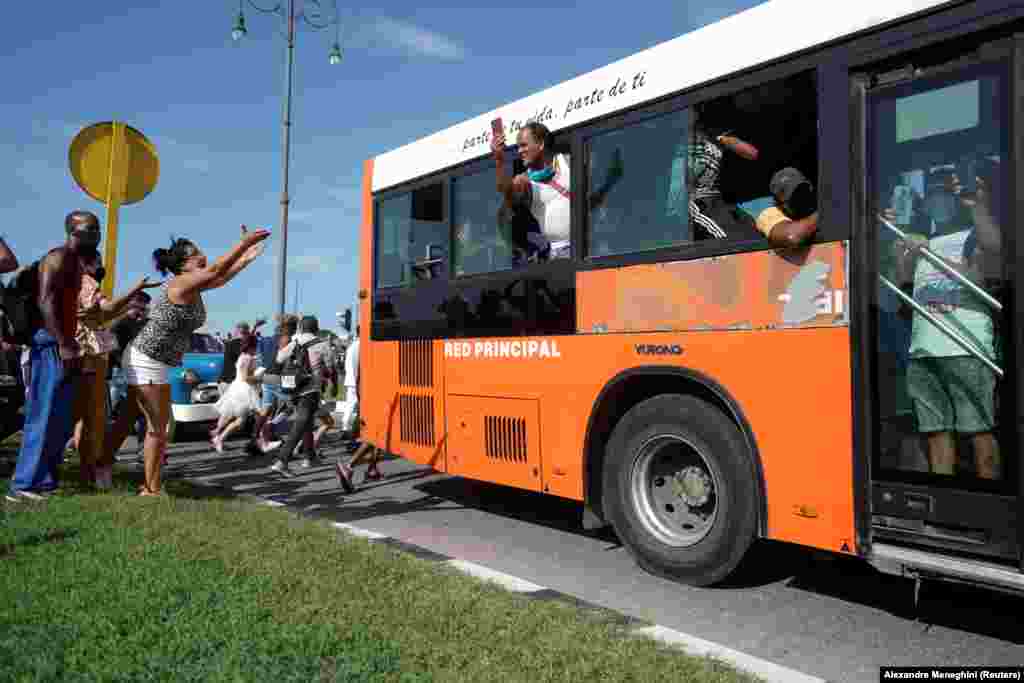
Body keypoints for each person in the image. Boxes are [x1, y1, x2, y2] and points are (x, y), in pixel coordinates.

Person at [103, 226, 270, 496]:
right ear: (182, 265)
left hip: (153, 360)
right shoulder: (180, 283)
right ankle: (151, 489)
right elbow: (217, 270)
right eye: (195, 255)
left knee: (128, 419)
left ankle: (101, 465)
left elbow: (222, 276)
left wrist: (248, 255)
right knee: (158, 428)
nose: (202, 256)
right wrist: (243, 244)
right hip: (147, 359)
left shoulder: (195, 285)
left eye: (201, 252)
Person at [893, 163, 1002, 480]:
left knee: (979, 432)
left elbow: (986, 274)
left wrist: (977, 206)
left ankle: (988, 504)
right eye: (933, 194)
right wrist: (905, 255)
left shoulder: (973, 234)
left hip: (967, 348)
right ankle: (944, 500)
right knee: (936, 432)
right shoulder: (917, 236)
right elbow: (904, 290)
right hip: (924, 349)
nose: (939, 201)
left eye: (945, 193)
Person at [7, 211, 93, 502]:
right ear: (72, 230)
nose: (96, 235)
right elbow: (45, 301)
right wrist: (64, 343)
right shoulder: (57, 258)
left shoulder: (76, 261)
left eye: (97, 229)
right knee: (42, 413)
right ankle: (23, 484)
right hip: (50, 341)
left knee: (61, 417)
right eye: (89, 229)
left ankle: (44, 480)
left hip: (65, 341)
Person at [72, 248, 163, 488]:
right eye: (97, 262)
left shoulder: (139, 322)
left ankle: (92, 467)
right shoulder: (89, 288)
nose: (141, 309)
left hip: (115, 367)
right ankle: (93, 466)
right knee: (96, 417)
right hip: (104, 366)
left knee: (100, 418)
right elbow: (107, 321)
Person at [491, 122, 572, 260]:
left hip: (584, 248)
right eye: (518, 147)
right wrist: (499, 159)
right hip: (557, 255)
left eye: (523, 145)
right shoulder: (524, 180)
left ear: (541, 144)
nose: (519, 151)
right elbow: (505, 190)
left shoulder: (567, 161)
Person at [268, 315, 329, 476]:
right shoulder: (322, 343)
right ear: (316, 328)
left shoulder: (295, 342)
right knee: (301, 423)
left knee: (307, 422)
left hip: (294, 388)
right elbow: (330, 365)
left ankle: (310, 457)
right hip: (311, 389)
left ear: (301, 327)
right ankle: (282, 461)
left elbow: (279, 358)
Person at [688, 106, 760, 240]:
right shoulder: (680, 141)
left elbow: (752, 153)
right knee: (730, 241)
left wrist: (720, 138)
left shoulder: (714, 136)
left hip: (717, 200)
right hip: (695, 200)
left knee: (753, 234)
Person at [246, 315, 297, 456]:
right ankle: (271, 427)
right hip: (280, 377)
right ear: (290, 327)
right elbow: (285, 362)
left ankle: (253, 440)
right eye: (295, 326)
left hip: (266, 377)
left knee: (265, 410)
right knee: (293, 406)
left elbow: (259, 354)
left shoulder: (266, 340)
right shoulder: (288, 340)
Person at [210, 334, 261, 452]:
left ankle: (218, 435)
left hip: (236, 387)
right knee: (241, 419)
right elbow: (245, 378)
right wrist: (259, 377)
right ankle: (219, 437)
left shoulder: (243, 356)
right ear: (252, 346)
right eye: (255, 346)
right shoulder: (248, 358)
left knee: (233, 415)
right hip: (244, 389)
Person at [755, 167, 819, 248]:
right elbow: (792, 237)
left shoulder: (816, 203)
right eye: (794, 196)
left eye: (803, 190)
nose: (802, 197)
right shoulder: (769, 214)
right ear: (779, 203)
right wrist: (823, 213)